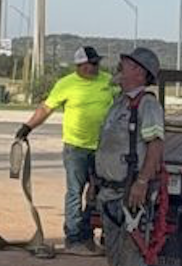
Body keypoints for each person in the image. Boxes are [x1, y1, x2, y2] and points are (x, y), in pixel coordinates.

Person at [91, 46, 166, 266]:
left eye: (126, 64)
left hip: (129, 196)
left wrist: (142, 182)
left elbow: (155, 145)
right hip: (109, 192)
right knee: (115, 261)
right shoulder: (120, 103)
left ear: (139, 72)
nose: (119, 68)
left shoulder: (147, 106)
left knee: (130, 263)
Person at [13, 45, 117, 254]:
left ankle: (88, 234)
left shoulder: (108, 82)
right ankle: (74, 237)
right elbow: (46, 108)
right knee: (74, 192)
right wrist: (28, 127)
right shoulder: (65, 84)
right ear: (80, 65)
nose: (95, 67)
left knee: (98, 193)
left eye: (97, 63)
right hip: (76, 148)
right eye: (91, 63)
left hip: (103, 149)